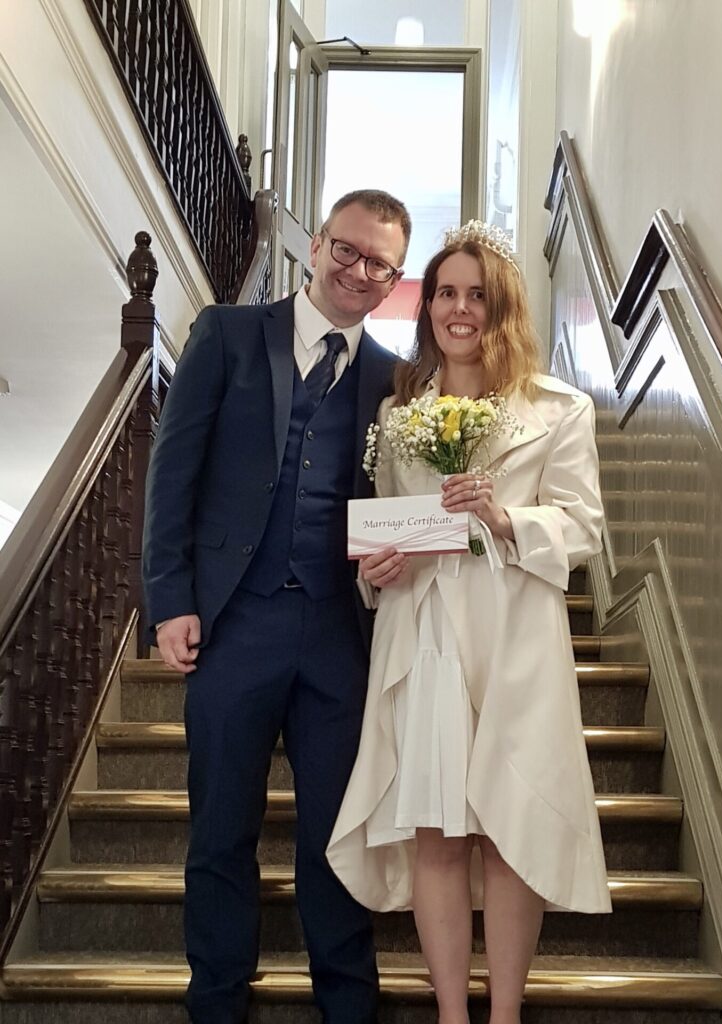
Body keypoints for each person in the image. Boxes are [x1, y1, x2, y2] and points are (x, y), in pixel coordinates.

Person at [327, 221, 611, 1024]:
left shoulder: (558, 409)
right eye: (446, 293)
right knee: (437, 834)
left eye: (475, 296)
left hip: (514, 634)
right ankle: (453, 1012)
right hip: (424, 639)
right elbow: (387, 528)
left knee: (510, 825)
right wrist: (377, 570)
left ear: (502, 308)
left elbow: (582, 528)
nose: (458, 310)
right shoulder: (399, 409)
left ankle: (505, 1012)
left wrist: (504, 516)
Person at [142, 189, 411, 1024]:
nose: (359, 272)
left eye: (381, 264)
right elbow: (172, 473)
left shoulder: (393, 378)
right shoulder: (226, 333)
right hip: (235, 624)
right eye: (348, 250)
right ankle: (216, 1003)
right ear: (315, 245)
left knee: (336, 836)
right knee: (220, 829)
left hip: (338, 631)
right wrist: (168, 601)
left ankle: (348, 1005)